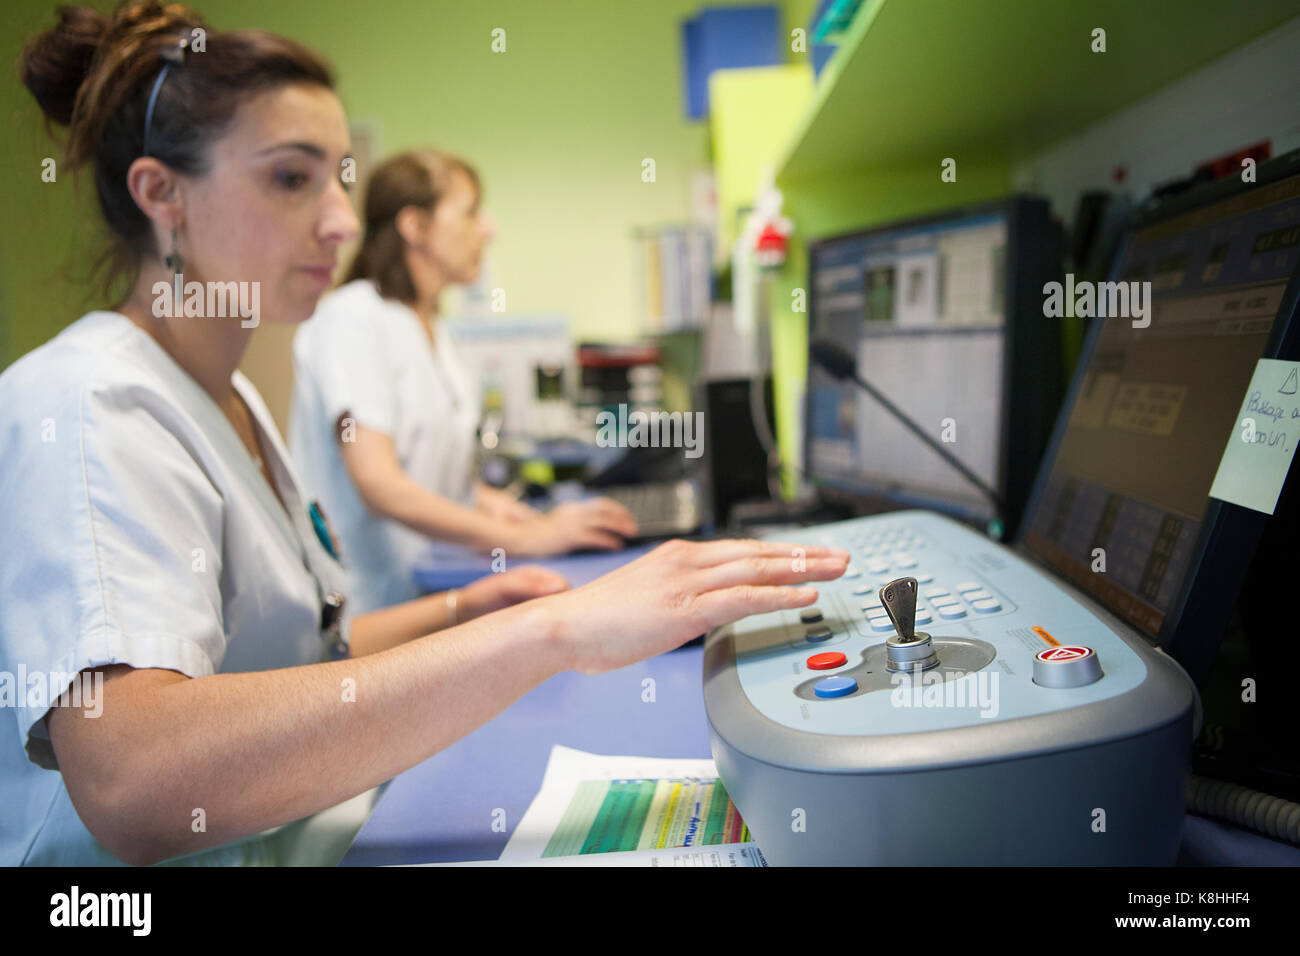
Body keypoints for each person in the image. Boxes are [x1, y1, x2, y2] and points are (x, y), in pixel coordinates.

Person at [1, 0, 848, 866]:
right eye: (292, 178)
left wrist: (462, 607)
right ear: (161, 194)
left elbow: (296, 654)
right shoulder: (88, 403)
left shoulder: (231, 402)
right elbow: (134, 783)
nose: (338, 220)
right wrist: (548, 635)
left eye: (337, 178)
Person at [290, 150, 637, 613]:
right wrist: (528, 538)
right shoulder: (353, 319)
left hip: (420, 593)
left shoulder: (433, 330)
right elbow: (380, 485)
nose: (488, 228)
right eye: (471, 212)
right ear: (415, 226)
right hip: (363, 612)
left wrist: (506, 510)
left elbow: (431, 476)